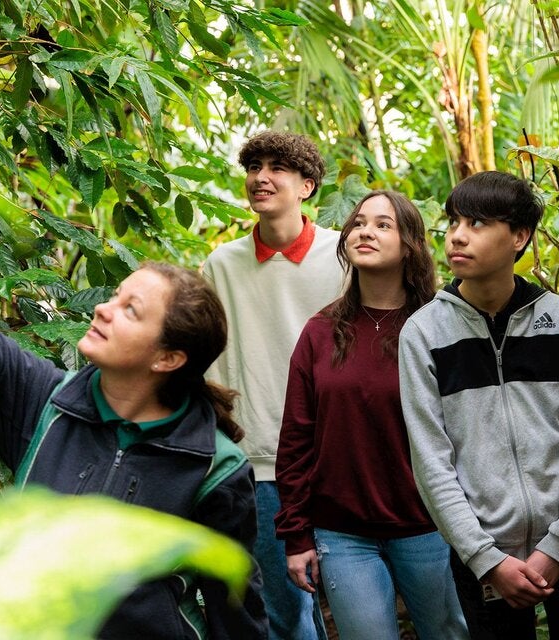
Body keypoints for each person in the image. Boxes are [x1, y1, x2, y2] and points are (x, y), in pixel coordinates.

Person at [0, 106, 267, 640]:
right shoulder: (47, 404)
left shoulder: (213, 468)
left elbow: (236, 611)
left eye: (131, 310)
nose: (104, 309)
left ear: (167, 358)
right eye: (114, 297)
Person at [398, 171, 559, 640]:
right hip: (483, 550)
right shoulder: (423, 333)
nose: (457, 234)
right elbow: (431, 462)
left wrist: (558, 547)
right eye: (454, 220)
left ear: (519, 237)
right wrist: (485, 558)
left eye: (477, 222)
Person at [275, 190, 469, 640]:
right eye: (359, 222)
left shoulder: (441, 326)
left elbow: (469, 431)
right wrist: (297, 535)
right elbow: (296, 440)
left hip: (430, 526)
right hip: (343, 533)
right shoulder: (320, 332)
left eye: (383, 224)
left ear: (410, 245)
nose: (365, 231)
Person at [203, 131, 344, 640]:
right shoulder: (222, 264)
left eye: (277, 167)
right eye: (254, 166)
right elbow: (205, 355)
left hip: (337, 456)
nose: (261, 177)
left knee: (355, 603)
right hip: (260, 462)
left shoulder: (343, 255)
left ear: (307, 185)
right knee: (286, 613)